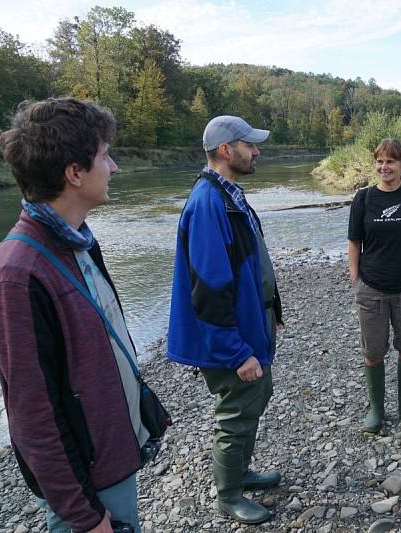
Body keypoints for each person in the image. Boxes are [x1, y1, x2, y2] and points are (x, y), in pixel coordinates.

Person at [0, 98, 149, 533]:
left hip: (109, 461)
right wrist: (85, 517)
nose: (114, 168)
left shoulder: (79, 243)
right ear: (75, 173)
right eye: (105, 156)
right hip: (88, 489)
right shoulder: (14, 275)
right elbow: (32, 415)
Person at [167, 115, 282, 525]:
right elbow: (210, 288)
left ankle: (239, 471)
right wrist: (235, 353)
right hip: (230, 341)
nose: (256, 151)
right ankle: (229, 493)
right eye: (249, 145)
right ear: (224, 150)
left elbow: (250, 261)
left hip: (252, 326)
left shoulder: (228, 195)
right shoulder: (208, 203)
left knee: (254, 399)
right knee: (236, 411)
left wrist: (273, 309)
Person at [348, 138, 401, 433]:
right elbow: (354, 242)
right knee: (373, 352)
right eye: (380, 161)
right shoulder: (363, 199)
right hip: (371, 286)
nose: (385, 167)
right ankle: (376, 409)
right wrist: (355, 278)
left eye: (391, 162)